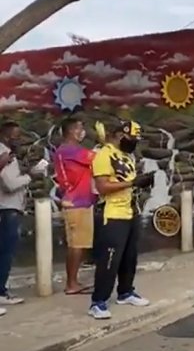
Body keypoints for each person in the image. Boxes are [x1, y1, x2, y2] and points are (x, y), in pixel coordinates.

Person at [88, 119, 155, 320]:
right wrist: (132, 182)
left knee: (129, 257)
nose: (134, 141)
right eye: (132, 137)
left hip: (130, 211)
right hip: (112, 214)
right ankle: (98, 302)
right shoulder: (103, 155)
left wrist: (141, 183)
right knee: (110, 259)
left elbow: (126, 183)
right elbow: (102, 187)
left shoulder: (127, 156)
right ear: (120, 135)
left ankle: (125, 292)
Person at [0, 121, 47, 315]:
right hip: (7, 209)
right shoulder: (3, 154)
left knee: (5, 252)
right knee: (5, 253)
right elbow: (9, 184)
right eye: (16, 135)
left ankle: (2, 291)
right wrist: (31, 176)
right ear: (5, 136)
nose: (19, 140)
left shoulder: (9, 155)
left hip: (11, 208)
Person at [54, 117, 97, 295]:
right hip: (75, 202)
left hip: (83, 202)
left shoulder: (73, 150)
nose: (83, 132)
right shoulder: (69, 150)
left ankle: (74, 281)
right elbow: (96, 158)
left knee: (81, 243)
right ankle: (71, 284)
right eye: (80, 128)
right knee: (76, 244)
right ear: (72, 131)